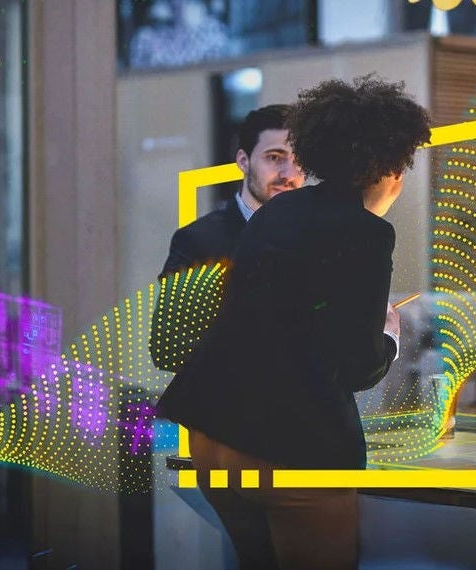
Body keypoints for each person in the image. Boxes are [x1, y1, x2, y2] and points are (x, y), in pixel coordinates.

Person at [155, 74, 431, 570]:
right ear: (392, 164)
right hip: (289, 449)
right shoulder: (366, 234)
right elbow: (356, 366)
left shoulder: (279, 213)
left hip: (212, 438)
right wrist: (388, 335)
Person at [151, 104, 305, 373]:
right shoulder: (198, 240)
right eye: (274, 157)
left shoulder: (316, 238)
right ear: (243, 161)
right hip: (230, 410)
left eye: (299, 160)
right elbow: (167, 348)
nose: (288, 174)